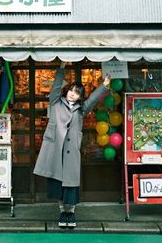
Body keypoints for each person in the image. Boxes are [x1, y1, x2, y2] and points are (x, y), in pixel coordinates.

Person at [33, 62, 111, 228]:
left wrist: (103, 86)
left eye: (77, 93)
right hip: (56, 150)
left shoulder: (81, 109)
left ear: (80, 97)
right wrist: (61, 68)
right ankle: (62, 212)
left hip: (71, 151)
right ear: (66, 91)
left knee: (72, 184)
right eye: (71, 91)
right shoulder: (55, 102)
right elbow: (55, 86)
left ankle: (72, 213)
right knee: (58, 184)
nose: (72, 95)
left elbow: (92, 100)